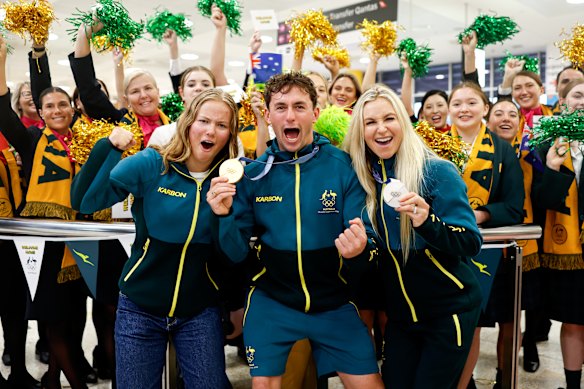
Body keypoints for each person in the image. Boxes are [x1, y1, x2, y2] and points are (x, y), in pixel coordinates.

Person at [207, 72, 382, 388]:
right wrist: (223, 217)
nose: (290, 115)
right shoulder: (254, 175)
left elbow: (367, 239)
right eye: (281, 107)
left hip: (335, 302)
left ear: (315, 113)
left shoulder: (344, 166)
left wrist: (359, 249)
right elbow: (234, 253)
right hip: (273, 304)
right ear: (269, 115)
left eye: (300, 106)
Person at [70, 88, 238, 388]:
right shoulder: (152, 164)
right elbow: (84, 201)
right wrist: (107, 147)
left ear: (230, 134)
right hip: (140, 308)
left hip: (199, 311)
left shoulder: (233, 181)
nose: (211, 130)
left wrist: (223, 216)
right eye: (204, 121)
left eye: (222, 125)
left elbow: (236, 254)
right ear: (187, 123)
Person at [343, 85, 482, 388]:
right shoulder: (363, 183)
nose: (381, 129)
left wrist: (426, 221)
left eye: (389, 118)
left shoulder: (437, 171)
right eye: (370, 122)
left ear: (403, 122)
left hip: (449, 313)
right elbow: (374, 256)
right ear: (361, 131)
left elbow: (471, 242)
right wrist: (356, 253)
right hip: (402, 319)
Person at [0, 36, 89, 389]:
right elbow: (2, 111)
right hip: (44, 242)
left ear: (72, 107)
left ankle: (53, 379)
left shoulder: (86, 138)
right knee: (52, 318)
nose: (56, 110)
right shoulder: (33, 141)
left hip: (81, 238)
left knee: (73, 315)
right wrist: (12, 57)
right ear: (40, 110)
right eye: (48, 105)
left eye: (62, 104)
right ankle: (76, 385)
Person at [449, 82, 525, 389]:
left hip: (484, 252)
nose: (463, 109)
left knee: (472, 326)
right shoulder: (432, 144)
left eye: (471, 103)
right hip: (438, 247)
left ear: (484, 109)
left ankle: (463, 383)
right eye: (457, 103)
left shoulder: (502, 149)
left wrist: (479, 214)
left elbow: (514, 206)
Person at [486, 99, 544, 386]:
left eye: (513, 113)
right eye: (498, 113)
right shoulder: (476, 154)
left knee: (510, 323)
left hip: (518, 251)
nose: (506, 118)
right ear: (487, 120)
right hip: (481, 249)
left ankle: (503, 378)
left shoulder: (531, 157)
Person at [532, 78, 584, 389]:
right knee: (575, 319)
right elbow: (541, 202)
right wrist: (552, 168)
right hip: (570, 251)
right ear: (562, 103)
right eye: (577, 95)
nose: (583, 101)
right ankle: (572, 384)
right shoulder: (547, 145)